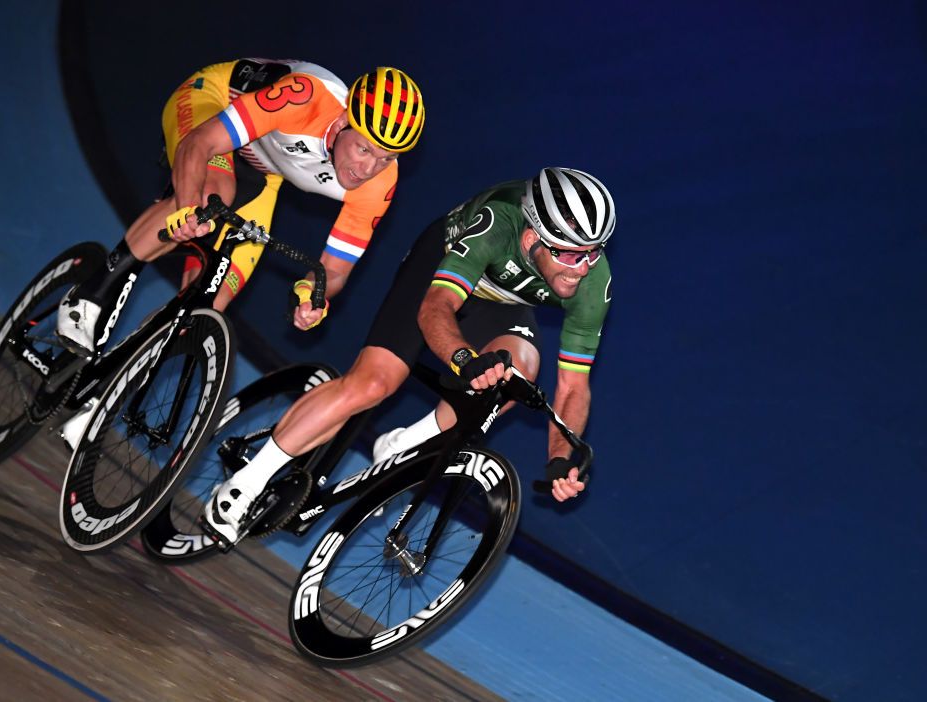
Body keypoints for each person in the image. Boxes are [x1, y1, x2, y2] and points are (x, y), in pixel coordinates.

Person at [205, 167, 616, 543]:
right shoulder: (498, 223)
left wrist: (560, 459)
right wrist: (462, 358)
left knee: (516, 375)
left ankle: (403, 445)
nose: (580, 268)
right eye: (568, 254)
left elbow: (572, 387)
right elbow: (434, 307)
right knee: (374, 383)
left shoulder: (592, 280)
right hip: (442, 269)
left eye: (592, 253)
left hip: (503, 303)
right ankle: (246, 483)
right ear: (532, 239)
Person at [56, 58, 425, 353]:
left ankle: (116, 375)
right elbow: (199, 145)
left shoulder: (380, 181)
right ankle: (92, 294)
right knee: (216, 193)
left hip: (264, 172)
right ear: (344, 121)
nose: (368, 168)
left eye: (385, 157)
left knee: (207, 306)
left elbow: (335, 271)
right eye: (364, 149)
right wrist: (186, 207)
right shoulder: (305, 97)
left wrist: (313, 297)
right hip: (211, 104)